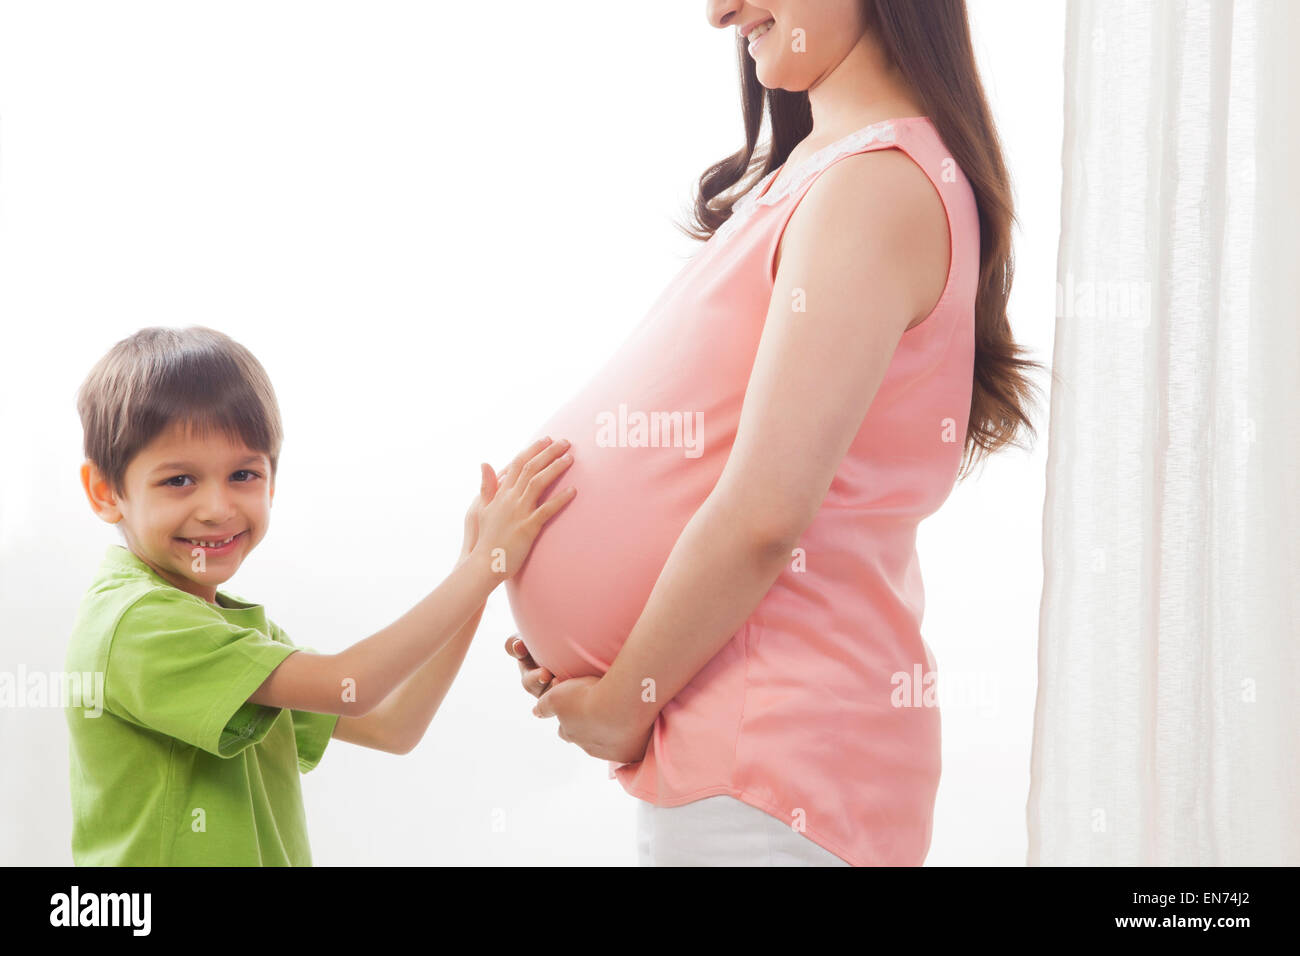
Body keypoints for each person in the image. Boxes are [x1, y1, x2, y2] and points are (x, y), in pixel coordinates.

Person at [505, 0, 1043, 866]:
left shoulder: (876, 185)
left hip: (778, 765)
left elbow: (765, 515)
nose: (719, 11)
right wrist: (597, 649)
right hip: (739, 757)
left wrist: (618, 701)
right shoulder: (825, 173)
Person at [65, 325, 575, 865]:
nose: (216, 507)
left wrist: (479, 565)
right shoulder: (139, 622)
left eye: (243, 474)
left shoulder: (228, 628)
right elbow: (350, 688)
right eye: (179, 481)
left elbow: (393, 725)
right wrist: (482, 567)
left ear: (272, 482)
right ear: (106, 492)